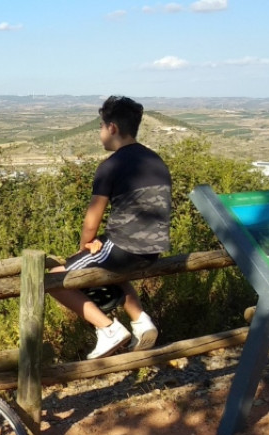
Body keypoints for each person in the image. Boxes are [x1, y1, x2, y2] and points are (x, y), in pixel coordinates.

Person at [50, 96, 171, 359]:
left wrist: (84, 248)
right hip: (153, 249)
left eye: (101, 127)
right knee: (111, 266)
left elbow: (92, 218)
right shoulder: (156, 161)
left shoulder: (111, 165)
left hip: (126, 247)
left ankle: (108, 329)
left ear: (112, 127)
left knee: (53, 280)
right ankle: (141, 321)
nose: (100, 133)